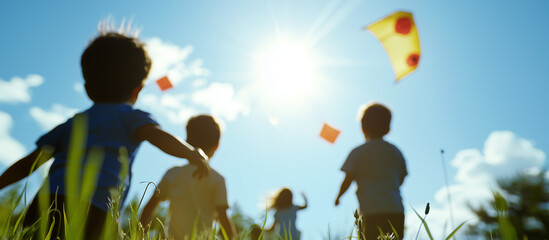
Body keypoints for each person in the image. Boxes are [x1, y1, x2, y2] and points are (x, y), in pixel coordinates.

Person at [0, 31, 209, 239]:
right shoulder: (130, 117)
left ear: (88, 89)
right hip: (96, 209)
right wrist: (192, 152)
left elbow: (32, 161)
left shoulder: (73, 123)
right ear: (137, 90)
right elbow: (157, 136)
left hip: (48, 203)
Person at [140, 115, 236, 240]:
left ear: (186, 142)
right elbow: (223, 218)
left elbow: (150, 207)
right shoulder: (217, 179)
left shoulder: (172, 173)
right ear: (216, 145)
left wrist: (138, 233)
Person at [334, 103, 407, 240]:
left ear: (362, 128)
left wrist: (338, 197)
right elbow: (402, 177)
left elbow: (348, 179)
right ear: (388, 129)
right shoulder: (395, 151)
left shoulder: (358, 152)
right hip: (395, 210)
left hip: (370, 212)